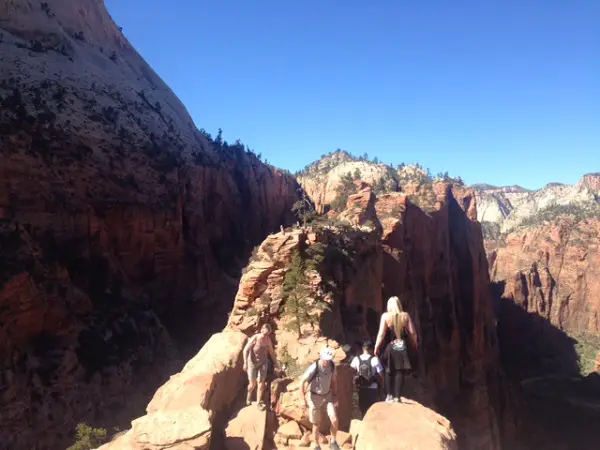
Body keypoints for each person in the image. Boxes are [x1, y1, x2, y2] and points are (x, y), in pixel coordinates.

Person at [374, 296, 418, 403]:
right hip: (402, 346)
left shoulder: (386, 316)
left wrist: (376, 346)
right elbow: (412, 333)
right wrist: (414, 343)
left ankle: (389, 395)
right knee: (400, 370)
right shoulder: (405, 316)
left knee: (389, 369)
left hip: (391, 346)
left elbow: (381, 334)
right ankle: (397, 396)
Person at [301, 347, 341, 450]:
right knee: (316, 424)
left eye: (328, 359)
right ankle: (316, 445)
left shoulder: (332, 366)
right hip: (315, 397)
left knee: (334, 419)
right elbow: (302, 382)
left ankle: (333, 442)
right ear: (321, 357)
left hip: (328, 396)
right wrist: (302, 398)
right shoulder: (315, 367)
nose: (327, 362)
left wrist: (336, 395)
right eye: (325, 359)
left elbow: (334, 380)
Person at [242, 323, 281, 409]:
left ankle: (258, 402)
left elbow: (271, 353)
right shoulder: (255, 338)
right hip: (252, 362)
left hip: (263, 363)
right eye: (264, 332)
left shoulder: (268, 340)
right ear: (261, 330)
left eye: (267, 333)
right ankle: (249, 396)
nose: (265, 335)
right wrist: (245, 363)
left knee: (261, 383)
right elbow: (245, 350)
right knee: (252, 384)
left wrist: (277, 364)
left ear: (269, 333)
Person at [350, 340, 384, 416]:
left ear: (363, 349)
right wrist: (382, 386)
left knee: (363, 409)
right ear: (371, 349)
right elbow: (381, 374)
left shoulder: (356, 359)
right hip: (373, 388)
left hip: (361, 388)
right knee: (372, 409)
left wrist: (354, 382)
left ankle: (364, 423)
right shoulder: (375, 359)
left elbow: (351, 371)